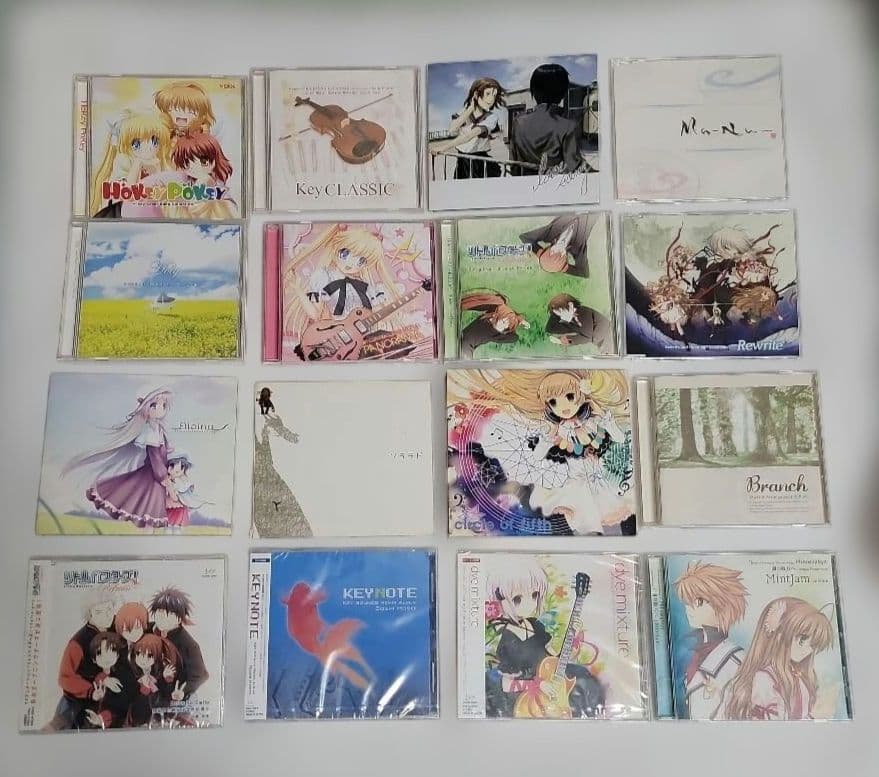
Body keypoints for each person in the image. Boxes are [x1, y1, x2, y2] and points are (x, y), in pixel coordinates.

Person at [485, 557, 604, 718]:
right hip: (529, 697)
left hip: (552, 683)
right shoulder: (507, 640)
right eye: (517, 599)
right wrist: (540, 685)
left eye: (535, 595)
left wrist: (570, 640)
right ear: (500, 598)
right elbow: (507, 686)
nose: (529, 604)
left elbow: (551, 658)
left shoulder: (535, 624)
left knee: (585, 679)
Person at [62, 387, 176, 530]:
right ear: (146, 407)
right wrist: (164, 478)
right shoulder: (149, 432)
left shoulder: (157, 429)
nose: (160, 409)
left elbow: (162, 454)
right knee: (149, 511)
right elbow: (155, 459)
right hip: (154, 477)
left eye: (163, 405)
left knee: (150, 512)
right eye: (154, 405)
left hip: (157, 477)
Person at [723, 597, 834, 720]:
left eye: (813, 645)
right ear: (779, 635)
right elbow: (770, 727)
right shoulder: (764, 678)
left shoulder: (800, 676)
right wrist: (813, 717)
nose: (808, 650)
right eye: (802, 640)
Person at [674, 562, 748, 719]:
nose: (689, 608)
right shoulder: (691, 654)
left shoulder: (737, 660)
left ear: (723, 604)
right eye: (688, 602)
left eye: (699, 602)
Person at [45, 589, 118, 730]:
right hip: (77, 703)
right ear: (89, 615)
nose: (107, 616)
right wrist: (91, 691)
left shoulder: (116, 627)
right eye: (99, 612)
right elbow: (65, 677)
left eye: (109, 609)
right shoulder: (78, 642)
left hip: (108, 701)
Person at [510, 64, 581, 175]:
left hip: (525, 181)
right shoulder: (568, 125)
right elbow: (574, 166)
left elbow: (514, 164)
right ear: (562, 93)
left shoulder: (518, 122)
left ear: (533, 91)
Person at [433, 78, 506, 179]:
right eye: (488, 94)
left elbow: (469, 136)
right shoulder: (464, 112)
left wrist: (443, 148)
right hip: (462, 161)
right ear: (476, 94)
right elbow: (452, 130)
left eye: (494, 95)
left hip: (479, 162)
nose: (491, 99)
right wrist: (470, 109)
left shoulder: (492, 117)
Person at [149, 587, 208, 705]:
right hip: (152, 691)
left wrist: (183, 691)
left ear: (179, 618)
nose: (162, 618)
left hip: (174, 696)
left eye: (169, 614)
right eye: (159, 612)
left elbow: (200, 675)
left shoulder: (188, 644)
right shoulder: (150, 629)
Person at [545, 293, 611, 350]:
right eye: (558, 315)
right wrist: (555, 312)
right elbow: (549, 329)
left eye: (561, 311)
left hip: (609, 338)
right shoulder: (569, 320)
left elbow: (587, 337)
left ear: (570, 305)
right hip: (603, 343)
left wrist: (566, 340)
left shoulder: (583, 313)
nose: (561, 317)